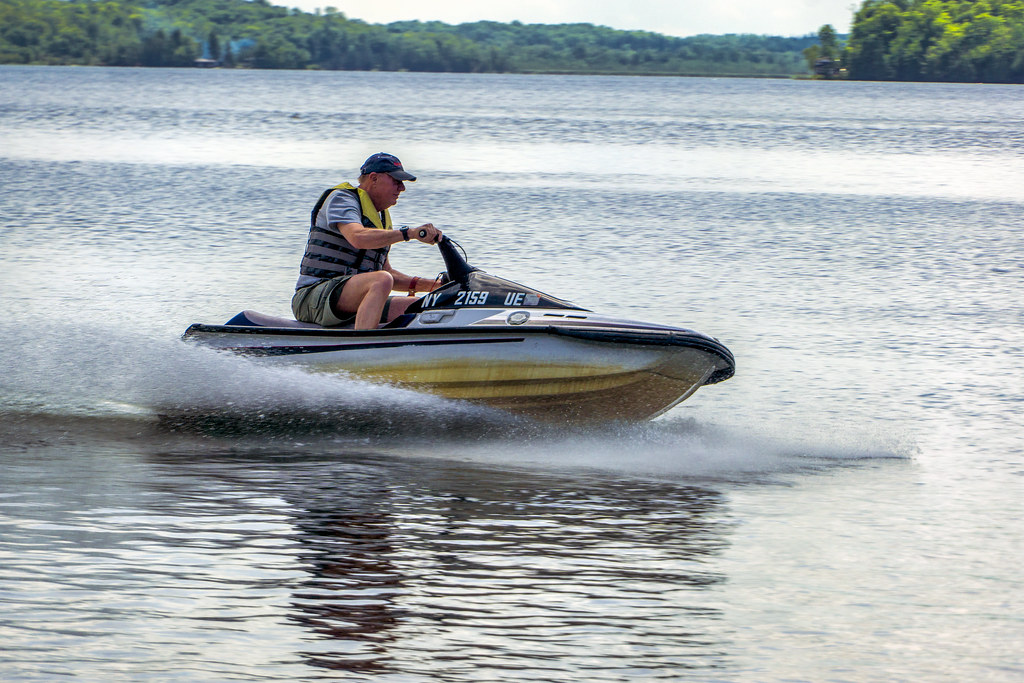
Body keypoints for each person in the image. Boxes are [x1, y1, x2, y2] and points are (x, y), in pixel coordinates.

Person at [292, 153, 444, 330]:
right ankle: (363, 348)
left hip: (348, 300)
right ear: (374, 178)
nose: (402, 188)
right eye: (396, 181)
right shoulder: (342, 199)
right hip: (312, 298)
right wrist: (408, 234)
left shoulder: (380, 217)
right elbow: (357, 237)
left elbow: (386, 272)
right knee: (380, 281)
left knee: (420, 306)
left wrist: (434, 286)